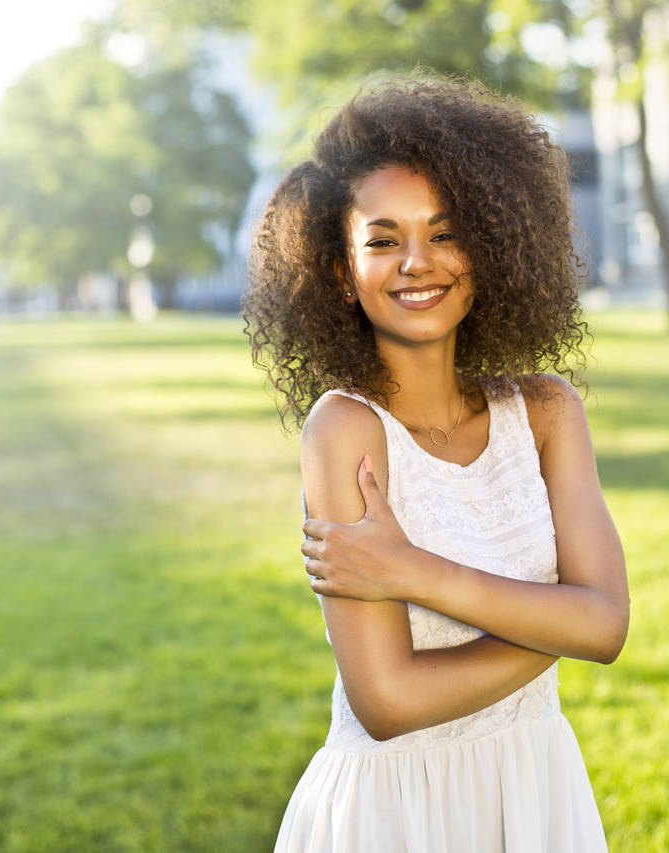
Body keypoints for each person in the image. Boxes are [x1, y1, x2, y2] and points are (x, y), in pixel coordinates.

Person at [243, 74, 629, 852]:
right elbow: (387, 700)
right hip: (396, 814)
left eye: (446, 233)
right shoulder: (344, 428)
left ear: (491, 246)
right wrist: (560, 621)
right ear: (340, 272)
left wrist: (412, 570)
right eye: (383, 240)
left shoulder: (548, 413)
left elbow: (608, 624)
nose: (417, 261)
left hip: (535, 789)